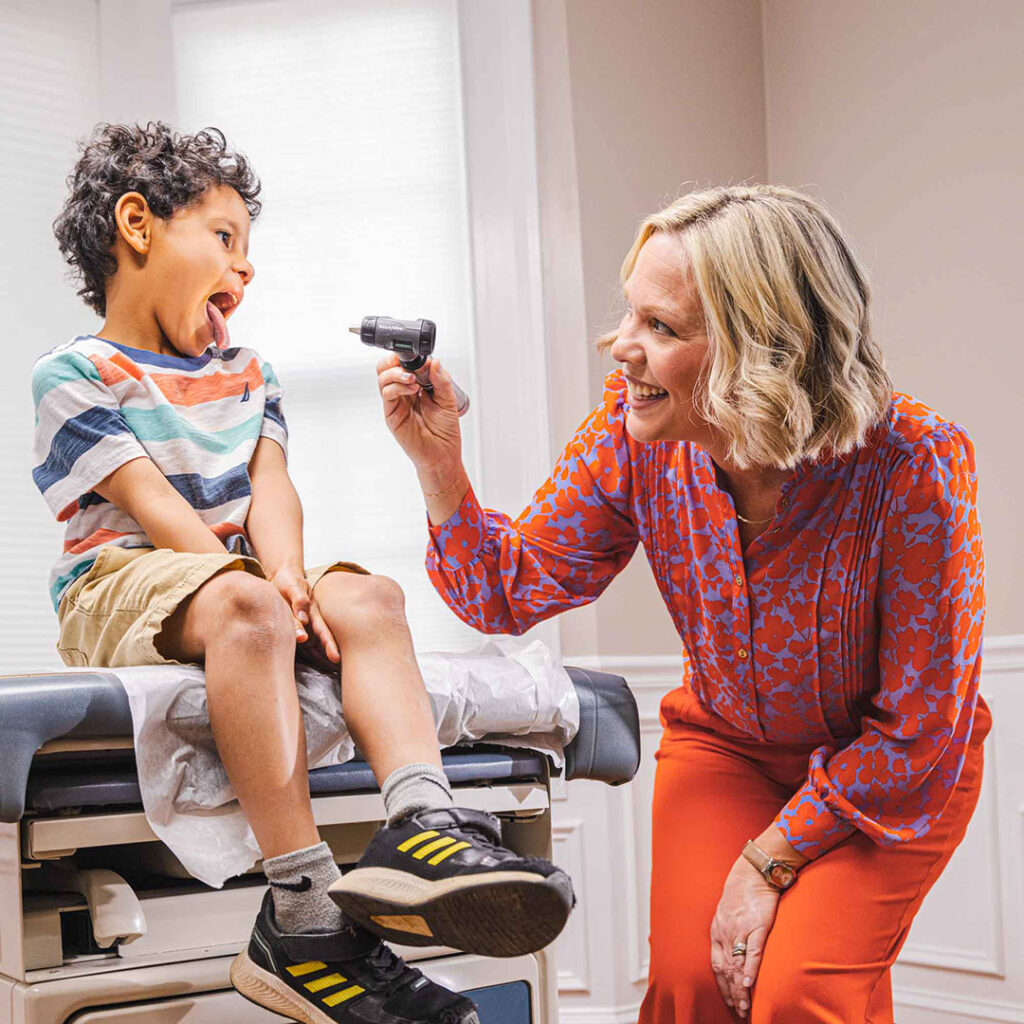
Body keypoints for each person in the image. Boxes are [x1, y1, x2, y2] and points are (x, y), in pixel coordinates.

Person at [377, 184, 991, 1023]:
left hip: (889, 768)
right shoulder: (634, 438)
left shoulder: (915, 464)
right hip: (728, 747)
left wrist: (768, 860)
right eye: (630, 314)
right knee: (691, 989)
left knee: (801, 993)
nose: (619, 347)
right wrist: (438, 466)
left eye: (660, 328)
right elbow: (505, 589)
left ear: (763, 350)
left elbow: (921, 725)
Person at [32, 122, 572, 1024]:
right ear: (137, 225)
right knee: (247, 606)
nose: (244, 270)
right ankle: (302, 911)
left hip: (234, 573)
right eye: (225, 239)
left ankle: (420, 821)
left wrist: (288, 574)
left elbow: (271, 487)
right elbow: (156, 508)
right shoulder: (75, 373)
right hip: (121, 578)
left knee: (369, 595)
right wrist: (262, 595)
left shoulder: (250, 373)